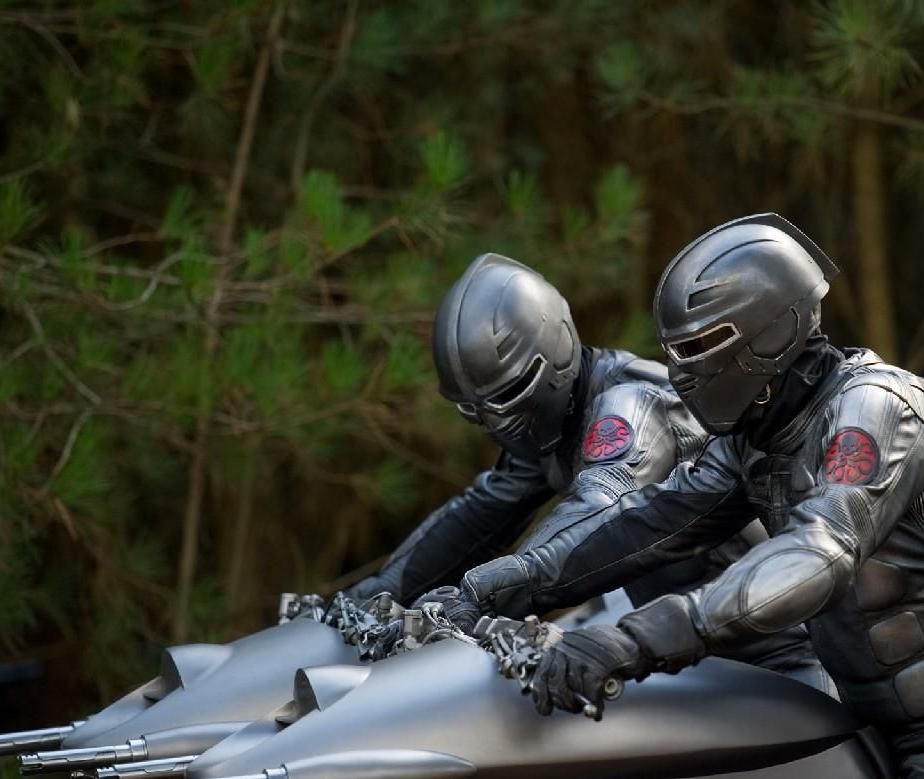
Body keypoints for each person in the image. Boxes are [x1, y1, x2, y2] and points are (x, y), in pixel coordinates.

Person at [453, 214, 924, 778]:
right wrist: (495, 586)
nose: (680, 369)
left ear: (769, 334)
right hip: (879, 730)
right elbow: (651, 521)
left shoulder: (876, 409)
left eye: (698, 347)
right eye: (675, 351)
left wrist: (634, 639)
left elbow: (818, 551)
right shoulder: (761, 436)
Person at [345, 252, 828, 689]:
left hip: (781, 659)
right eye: (476, 410)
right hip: (688, 663)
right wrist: (369, 598)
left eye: (507, 395)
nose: (496, 422)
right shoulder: (554, 429)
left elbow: (600, 505)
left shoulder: (630, 405)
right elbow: (478, 514)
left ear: (555, 350)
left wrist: (483, 596)